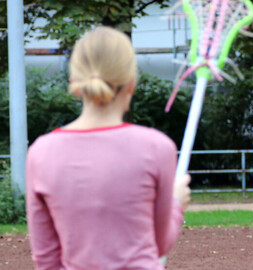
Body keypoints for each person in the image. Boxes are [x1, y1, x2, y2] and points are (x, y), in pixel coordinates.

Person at [26, 26, 191, 270]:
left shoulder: (41, 152)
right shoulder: (157, 148)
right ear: (132, 83)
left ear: (74, 81)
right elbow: (159, 243)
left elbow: (47, 260)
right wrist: (177, 203)